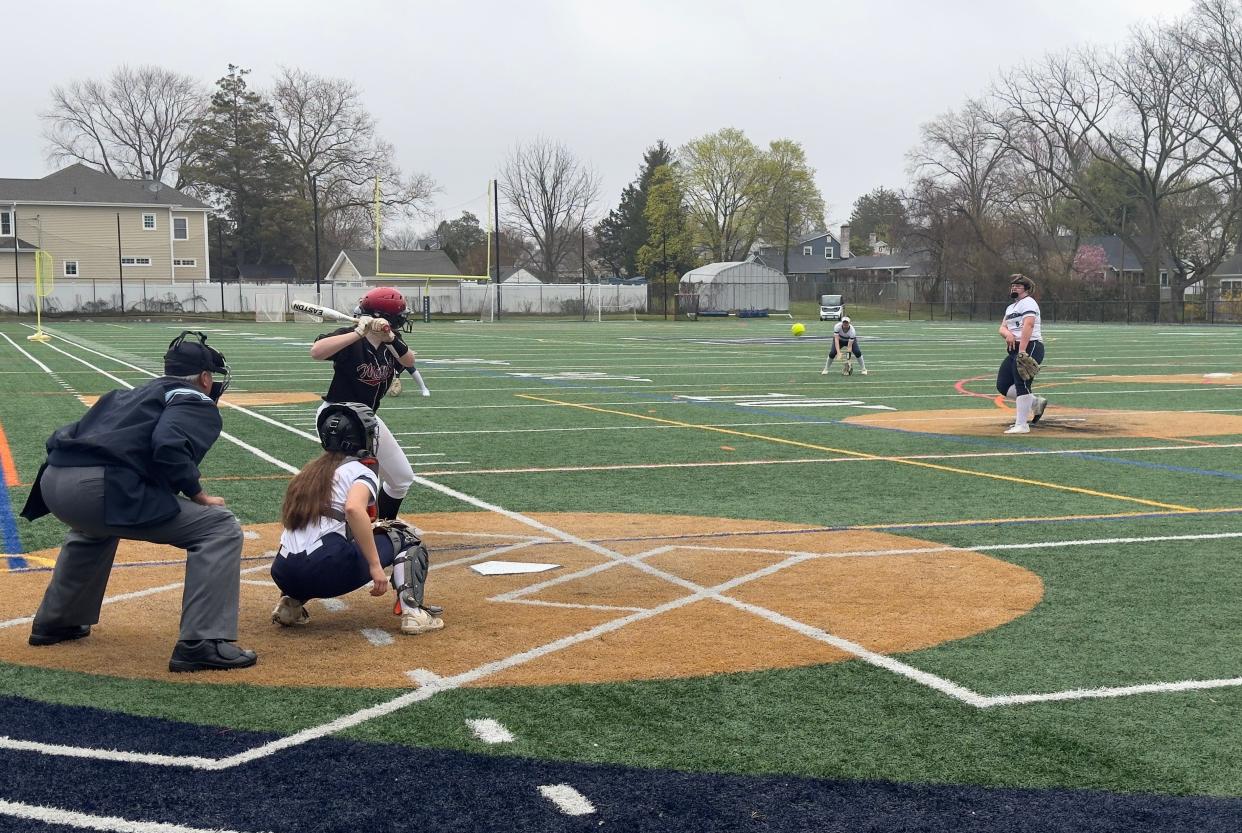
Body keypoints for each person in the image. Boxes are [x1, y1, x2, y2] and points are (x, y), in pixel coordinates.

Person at [20, 331, 256, 672]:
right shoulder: (193, 398)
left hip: (54, 482)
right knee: (219, 527)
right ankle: (201, 643)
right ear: (205, 377)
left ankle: (57, 621)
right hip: (97, 488)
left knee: (94, 529)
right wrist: (197, 493)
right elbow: (169, 444)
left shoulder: (129, 393)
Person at [269, 402, 443, 635]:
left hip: (283, 571)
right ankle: (413, 612)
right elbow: (353, 509)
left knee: (320, 541)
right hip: (321, 569)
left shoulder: (309, 472)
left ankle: (290, 604)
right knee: (406, 536)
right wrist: (374, 565)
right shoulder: (359, 470)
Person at [310, 287, 416, 520]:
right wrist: (359, 332)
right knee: (349, 483)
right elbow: (316, 352)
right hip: (339, 417)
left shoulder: (392, 342)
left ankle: (383, 527)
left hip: (367, 418)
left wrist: (389, 339)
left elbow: (409, 360)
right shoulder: (349, 336)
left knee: (401, 478)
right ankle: (335, 533)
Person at [997, 274, 1048, 434]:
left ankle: (1022, 425)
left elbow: (1029, 324)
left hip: (1030, 345)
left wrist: (1022, 351)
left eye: (1018, 286)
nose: (1014, 288)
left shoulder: (1028, 302)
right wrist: (1008, 335)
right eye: (1013, 286)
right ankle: (1035, 403)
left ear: (1026, 289)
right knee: (1003, 385)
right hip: (1015, 348)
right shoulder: (1011, 307)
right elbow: (1002, 328)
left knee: (1022, 384)